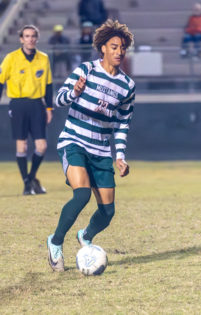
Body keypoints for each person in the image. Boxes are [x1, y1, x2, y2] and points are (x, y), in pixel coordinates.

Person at [46, 19, 135, 272]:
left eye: (122, 48)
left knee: (107, 212)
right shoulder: (85, 70)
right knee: (81, 193)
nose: (119, 52)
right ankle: (55, 242)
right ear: (103, 48)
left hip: (100, 150)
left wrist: (120, 156)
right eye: (114, 46)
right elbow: (60, 99)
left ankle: (84, 236)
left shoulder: (127, 86)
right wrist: (74, 91)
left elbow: (122, 124)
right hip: (74, 141)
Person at [0, 25, 53, 195]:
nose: (30, 39)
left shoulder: (43, 58)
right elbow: (0, 82)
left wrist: (49, 108)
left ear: (37, 38)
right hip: (18, 105)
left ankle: (30, 178)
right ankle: (27, 185)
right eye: (26, 36)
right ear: (21, 39)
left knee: (42, 146)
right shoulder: (11, 58)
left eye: (33, 36)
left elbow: (49, 85)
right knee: (21, 146)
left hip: (37, 105)